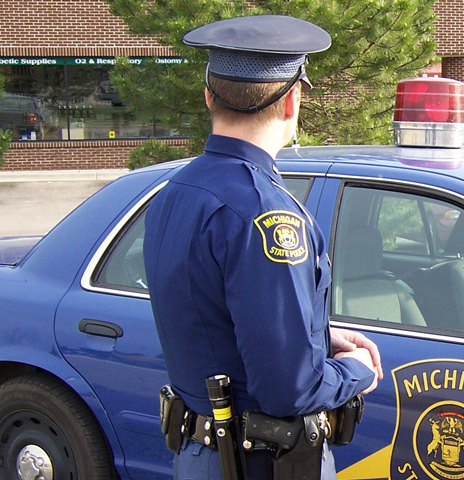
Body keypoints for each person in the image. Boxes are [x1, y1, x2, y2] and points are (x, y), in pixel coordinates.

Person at [143, 15, 381, 479]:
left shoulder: (174, 191)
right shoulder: (265, 213)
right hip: (258, 463)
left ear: (208, 95)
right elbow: (288, 390)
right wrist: (357, 372)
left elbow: (210, 318)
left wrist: (318, 338)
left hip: (199, 455)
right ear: (292, 100)